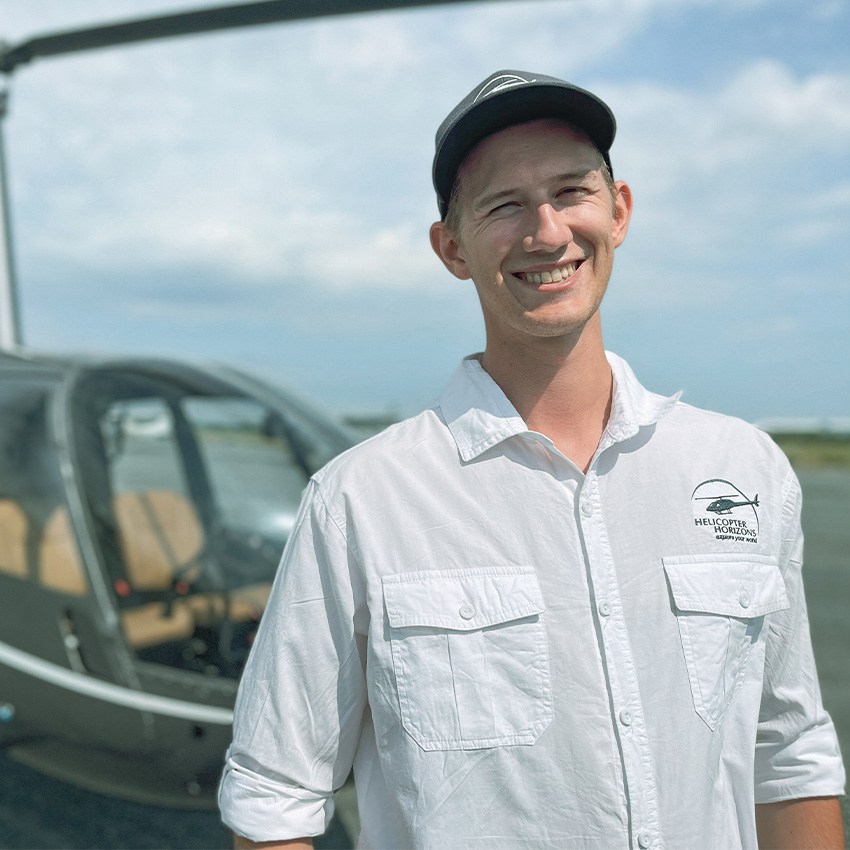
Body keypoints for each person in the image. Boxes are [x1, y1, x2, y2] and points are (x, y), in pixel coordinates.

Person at [218, 70, 846, 849]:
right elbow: (276, 796)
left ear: (618, 212)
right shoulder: (359, 501)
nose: (547, 232)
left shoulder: (746, 467)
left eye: (571, 192)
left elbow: (786, 752)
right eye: (503, 205)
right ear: (451, 249)